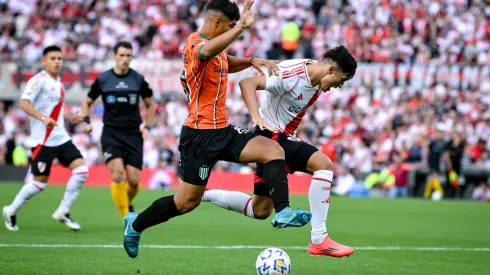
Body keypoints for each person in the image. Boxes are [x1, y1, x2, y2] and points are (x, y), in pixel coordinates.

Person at [123, 0, 311, 259]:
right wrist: (241, 29)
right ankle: (135, 224)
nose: (233, 30)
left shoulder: (217, 47)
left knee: (273, 149)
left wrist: (252, 60)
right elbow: (207, 52)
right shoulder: (195, 43)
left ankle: (283, 212)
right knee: (186, 202)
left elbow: (224, 60)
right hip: (199, 137)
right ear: (217, 23)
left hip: (223, 130)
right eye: (231, 26)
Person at [202, 45, 357, 258]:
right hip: (271, 135)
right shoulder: (290, 74)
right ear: (331, 70)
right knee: (324, 166)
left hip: (279, 138)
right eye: (342, 80)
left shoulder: (316, 79)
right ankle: (319, 238)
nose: (339, 86)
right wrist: (256, 117)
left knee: (260, 210)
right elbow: (248, 83)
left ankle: (203, 195)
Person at [2, 45, 88, 232]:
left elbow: (55, 111)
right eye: (53, 58)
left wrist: (71, 118)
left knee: (81, 171)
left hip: (61, 137)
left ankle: (63, 211)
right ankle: (10, 210)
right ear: (44, 61)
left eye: (59, 58)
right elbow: (24, 103)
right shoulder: (38, 80)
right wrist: (42, 118)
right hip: (43, 140)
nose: (57, 61)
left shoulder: (59, 84)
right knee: (39, 183)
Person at [81, 41, 155, 223]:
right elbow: (87, 102)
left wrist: (147, 126)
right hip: (111, 134)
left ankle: (125, 203)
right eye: (121, 55)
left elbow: (150, 104)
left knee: (134, 181)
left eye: (128, 56)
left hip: (133, 135)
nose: (125, 59)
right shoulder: (103, 79)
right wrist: (86, 121)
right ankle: (127, 219)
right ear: (115, 56)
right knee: (117, 174)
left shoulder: (138, 79)